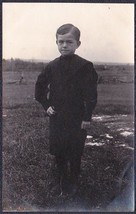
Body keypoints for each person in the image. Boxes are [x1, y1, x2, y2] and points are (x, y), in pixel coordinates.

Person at [35, 24, 98, 195]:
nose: (64, 45)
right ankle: (61, 179)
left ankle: (74, 179)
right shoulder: (52, 66)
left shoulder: (85, 66)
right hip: (57, 117)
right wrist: (46, 106)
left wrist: (87, 117)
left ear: (78, 44)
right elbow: (39, 88)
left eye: (69, 42)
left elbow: (91, 95)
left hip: (77, 118)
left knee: (75, 150)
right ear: (56, 42)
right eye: (60, 42)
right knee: (59, 150)